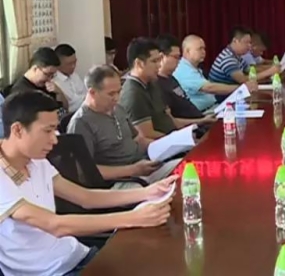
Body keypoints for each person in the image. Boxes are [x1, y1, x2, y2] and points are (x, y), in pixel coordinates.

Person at [0, 91, 174, 276]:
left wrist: (147, 192)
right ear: (17, 130)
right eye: (47, 131)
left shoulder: (37, 161)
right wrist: (134, 217)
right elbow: (55, 225)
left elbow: (85, 197)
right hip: (50, 272)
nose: (55, 139)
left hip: (76, 256)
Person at [68, 65, 183, 185]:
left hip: (144, 165)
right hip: (120, 180)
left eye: (119, 91)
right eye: (111, 94)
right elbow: (85, 171)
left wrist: (170, 144)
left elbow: (139, 139)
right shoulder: (81, 123)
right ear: (92, 92)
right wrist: (133, 170)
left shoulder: (117, 108)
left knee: (186, 167)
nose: (117, 98)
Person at [174, 35, 256, 112]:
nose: (203, 52)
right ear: (187, 51)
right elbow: (210, 88)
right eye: (200, 49)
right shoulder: (184, 70)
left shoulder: (192, 67)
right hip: (203, 113)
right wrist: (241, 88)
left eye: (204, 49)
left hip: (213, 107)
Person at [155, 34, 217, 127]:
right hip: (191, 128)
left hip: (200, 119)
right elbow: (172, 121)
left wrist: (203, 118)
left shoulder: (171, 78)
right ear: (162, 57)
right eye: (176, 57)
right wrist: (202, 120)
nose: (179, 61)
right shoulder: (157, 85)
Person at [119, 38, 176, 139]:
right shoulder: (133, 94)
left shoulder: (153, 83)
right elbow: (146, 135)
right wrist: (176, 140)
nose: (159, 65)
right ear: (139, 63)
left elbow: (170, 119)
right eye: (154, 61)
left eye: (159, 60)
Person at [209, 26, 279, 94]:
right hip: (223, 97)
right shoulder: (228, 58)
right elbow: (243, 80)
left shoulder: (236, 56)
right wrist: (269, 72)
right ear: (235, 41)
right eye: (247, 42)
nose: (250, 46)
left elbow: (250, 70)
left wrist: (272, 70)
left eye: (250, 43)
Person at [10, 47, 68, 112]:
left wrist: (59, 92)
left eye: (52, 75)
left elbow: (65, 109)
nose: (49, 79)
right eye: (47, 74)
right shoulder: (21, 92)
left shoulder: (45, 85)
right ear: (35, 69)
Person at [53, 44, 87, 113]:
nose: (73, 66)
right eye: (69, 64)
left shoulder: (74, 75)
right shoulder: (55, 82)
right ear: (58, 64)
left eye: (75, 62)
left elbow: (85, 94)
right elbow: (68, 108)